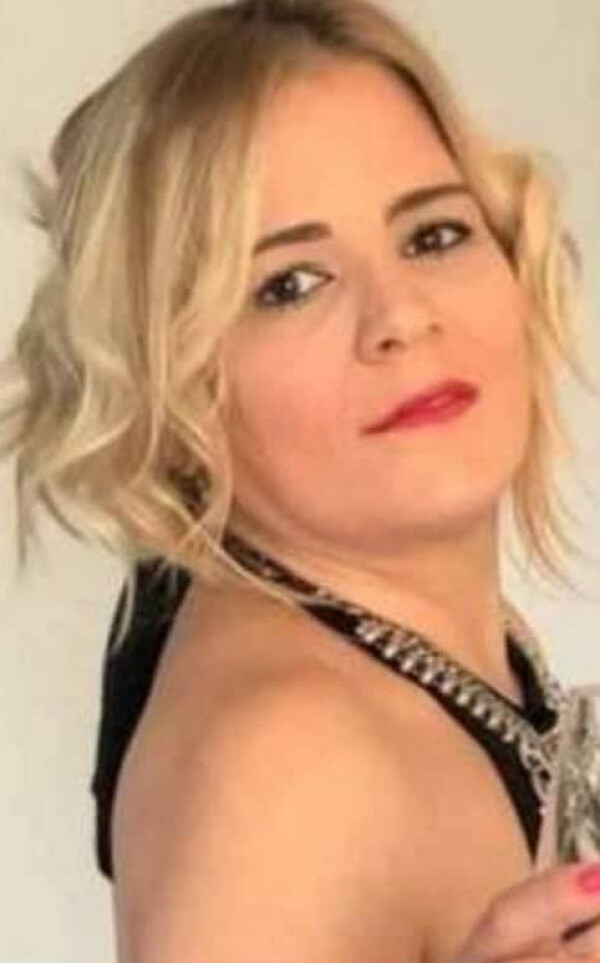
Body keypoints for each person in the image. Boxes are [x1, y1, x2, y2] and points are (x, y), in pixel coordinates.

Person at [2, 0, 600, 959]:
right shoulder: (286, 761)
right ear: (173, 381)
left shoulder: (376, 640)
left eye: (433, 234)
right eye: (288, 285)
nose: (400, 314)